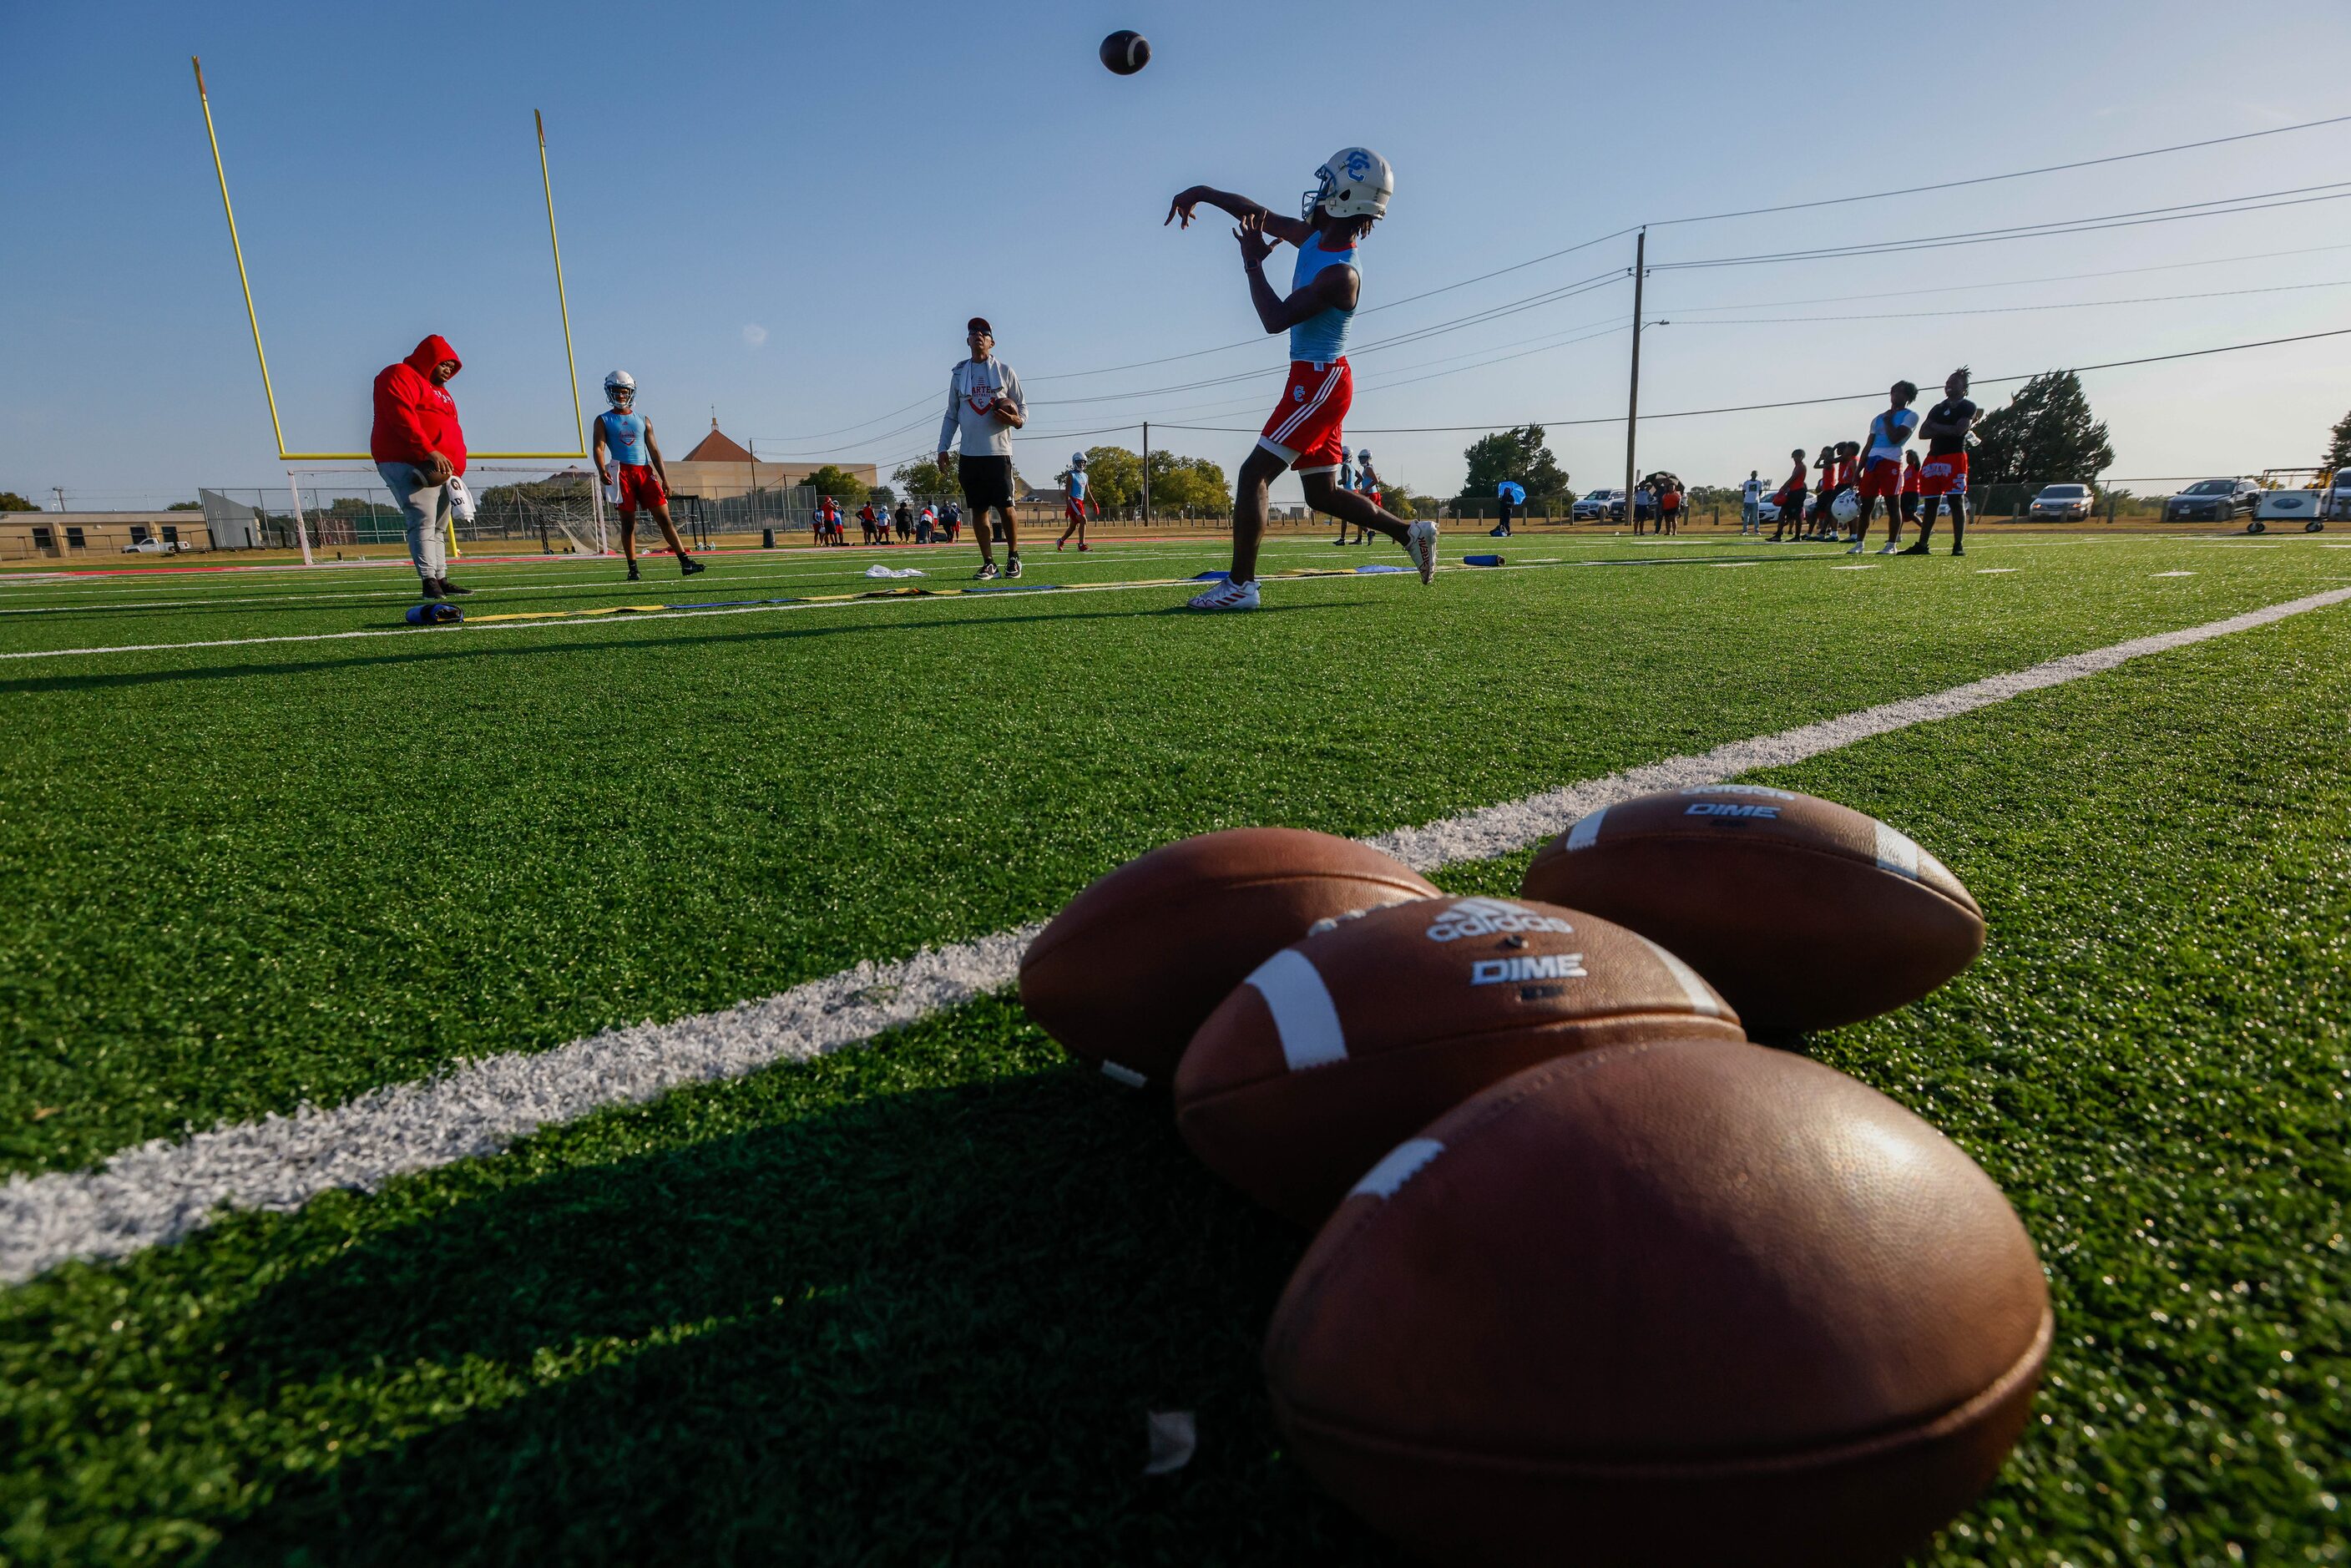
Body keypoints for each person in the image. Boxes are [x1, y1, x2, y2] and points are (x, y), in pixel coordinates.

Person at [1165, 149, 1436, 610]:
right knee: (1321, 492)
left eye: (1330, 184)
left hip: (1319, 382)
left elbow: (1274, 319)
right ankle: (1411, 533)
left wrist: (1252, 262)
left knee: (1254, 472)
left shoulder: (1341, 274)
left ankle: (1240, 586)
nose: (1321, 191)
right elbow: (1260, 215)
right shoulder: (1314, 238)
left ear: (1346, 197)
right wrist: (1203, 193)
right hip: (1320, 379)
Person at [370, 334, 472, 599]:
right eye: (445, 362)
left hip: (444, 470)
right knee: (423, 521)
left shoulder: (442, 392)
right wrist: (428, 450)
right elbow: (400, 414)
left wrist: (455, 463)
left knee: (438, 525)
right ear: (430, 357)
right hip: (412, 460)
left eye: (453, 365)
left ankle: (441, 577)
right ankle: (429, 581)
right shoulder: (400, 374)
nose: (450, 368)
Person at [936, 316, 1027, 579]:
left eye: (983, 332)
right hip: (969, 453)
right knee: (978, 509)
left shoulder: (1005, 371)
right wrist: (943, 448)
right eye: (973, 332)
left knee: (1006, 507)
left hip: (998, 453)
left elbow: (1022, 408)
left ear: (991, 342)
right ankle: (989, 562)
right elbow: (951, 415)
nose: (978, 334)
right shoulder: (958, 374)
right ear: (967, 340)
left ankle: (1013, 557)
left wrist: (1015, 420)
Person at [592, 372, 705, 581]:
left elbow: (654, 451)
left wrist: (665, 478)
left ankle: (685, 562)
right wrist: (601, 469)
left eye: (624, 391)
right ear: (609, 391)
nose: (621, 395)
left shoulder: (643, 420)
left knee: (665, 519)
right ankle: (633, 568)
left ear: (631, 392)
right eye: (617, 391)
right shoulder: (603, 420)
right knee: (628, 524)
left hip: (644, 471)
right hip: (621, 472)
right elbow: (598, 448)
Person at [1904, 367, 1979, 557]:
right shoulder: (1938, 408)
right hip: (1933, 458)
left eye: (1954, 383)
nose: (1949, 386)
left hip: (1954, 457)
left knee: (1956, 500)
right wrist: (1946, 428)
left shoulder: (1967, 406)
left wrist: (1936, 427)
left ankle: (1958, 545)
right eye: (1947, 382)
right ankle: (1922, 544)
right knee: (1931, 503)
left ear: (1964, 388)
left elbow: (1959, 431)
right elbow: (1923, 433)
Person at [1851, 380, 1920, 555]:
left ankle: (1891, 544)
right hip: (1873, 462)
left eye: (1900, 392)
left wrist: (1889, 421)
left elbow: (1896, 437)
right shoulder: (1878, 418)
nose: (1895, 395)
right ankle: (1859, 543)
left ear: (1908, 396)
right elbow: (1868, 445)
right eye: (1894, 391)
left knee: (1892, 503)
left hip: (1891, 461)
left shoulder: (1910, 416)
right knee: (1866, 505)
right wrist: (1858, 470)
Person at [1058, 451, 1097, 551]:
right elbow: (1067, 491)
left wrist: (1094, 502)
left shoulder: (1085, 475)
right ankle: (1081, 545)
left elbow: (1087, 491)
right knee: (1084, 521)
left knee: (1073, 526)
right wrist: (1068, 506)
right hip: (1074, 500)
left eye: (1083, 462)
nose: (1082, 464)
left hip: (1080, 501)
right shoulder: (1071, 474)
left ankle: (1061, 540)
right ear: (1075, 462)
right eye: (1080, 462)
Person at [1768, 448, 1807, 543]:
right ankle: (1778, 534)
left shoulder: (1801, 467)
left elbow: (1793, 478)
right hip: (1793, 491)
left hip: (1798, 492)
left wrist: (1783, 487)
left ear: (1801, 457)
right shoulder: (1797, 466)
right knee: (1782, 512)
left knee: (1797, 514)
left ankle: (1797, 536)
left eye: (1796, 457)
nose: (1794, 459)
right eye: (1794, 457)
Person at [1900, 451, 1923, 535]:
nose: (1907, 458)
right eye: (1907, 457)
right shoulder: (1907, 469)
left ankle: (1925, 529)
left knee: (1911, 514)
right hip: (1905, 493)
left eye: (1910, 457)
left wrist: (1913, 454)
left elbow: (1917, 463)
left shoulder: (1915, 467)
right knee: (1901, 514)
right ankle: (1897, 535)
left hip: (1912, 493)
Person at [1741, 469, 1763, 534]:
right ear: (1751, 474)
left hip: (1755, 502)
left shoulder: (1759, 483)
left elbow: (1760, 491)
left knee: (1756, 517)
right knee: (1746, 516)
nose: (1754, 475)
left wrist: (1756, 497)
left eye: (1755, 474)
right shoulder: (1747, 483)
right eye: (1753, 474)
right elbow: (1743, 491)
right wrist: (1746, 498)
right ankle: (1745, 531)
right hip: (1747, 502)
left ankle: (1756, 531)